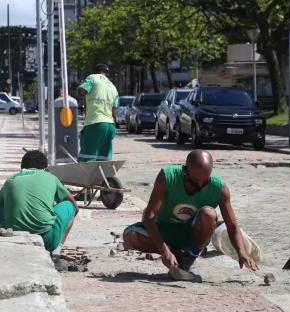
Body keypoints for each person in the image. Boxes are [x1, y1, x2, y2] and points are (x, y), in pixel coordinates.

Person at [123, 150, 259, 282]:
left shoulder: (220, 189)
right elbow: (149, 215)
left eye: (204, 181)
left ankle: (190, 258)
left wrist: (242, 252)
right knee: (131, 236)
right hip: (163, 230)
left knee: (209, 214)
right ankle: (176, 255)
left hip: (191, 235)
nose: (199, 185)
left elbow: (232, 225)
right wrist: (164, 251)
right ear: (185, 170)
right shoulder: (167, 177)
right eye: (194, 181)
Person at [0, 150, 78, 254]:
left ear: (22, 167)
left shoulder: (11, 179)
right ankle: (56, 251)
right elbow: (71, 201)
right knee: (69, 205)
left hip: (12, 235)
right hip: (47, 240)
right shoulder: (51, 178)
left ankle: (1, 231)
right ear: (45, 168)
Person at [77, 63, 119, 162]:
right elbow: (114, 111)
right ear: (106, 73)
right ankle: (103, 177)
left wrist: (80, 86)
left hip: (95, 123)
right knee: (103, 160)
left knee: (87, 159)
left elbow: (82, 91)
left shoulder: (92, 78)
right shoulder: (113, 87)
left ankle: (87, 178)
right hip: (110, 126)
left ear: (94, 71)